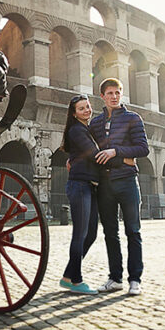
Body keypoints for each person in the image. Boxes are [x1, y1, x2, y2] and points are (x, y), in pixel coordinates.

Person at [89, 78, 150, 295]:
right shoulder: (95, 123)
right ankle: (115, 278)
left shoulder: (133, 119)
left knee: (133, 231)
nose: (114, 96)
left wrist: (116, 152)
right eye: (110, 93)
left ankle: (135, 280)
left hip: (127, 182)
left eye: (117, 92)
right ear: (102, 96)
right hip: (104, 184)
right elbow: (89, 150)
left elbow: (143, 148)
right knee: (110, 233)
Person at [59, 94, 101, 295]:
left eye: (88, 106)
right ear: (74, 114)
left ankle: (68, 275)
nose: (86, 110)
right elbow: (93, 154)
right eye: (81, 108)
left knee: (91, 233)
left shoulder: (84, 129)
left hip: (89, 185)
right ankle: (76, 281)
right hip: (80, 185)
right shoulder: (77, 130)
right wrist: (119, 159)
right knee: (80, 234)